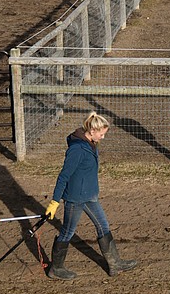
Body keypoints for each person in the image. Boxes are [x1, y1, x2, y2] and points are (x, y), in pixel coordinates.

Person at [44, 111, 138, 280]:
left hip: (89, 196)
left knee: (103, 226)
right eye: (101, 134)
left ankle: (114, 264)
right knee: (67, 232)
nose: (102, 137)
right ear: (92, 131)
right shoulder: (77, 149)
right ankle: (55, 269)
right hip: (75, 198)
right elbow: (63, 176)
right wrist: (54, 201)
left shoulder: (90, 144)